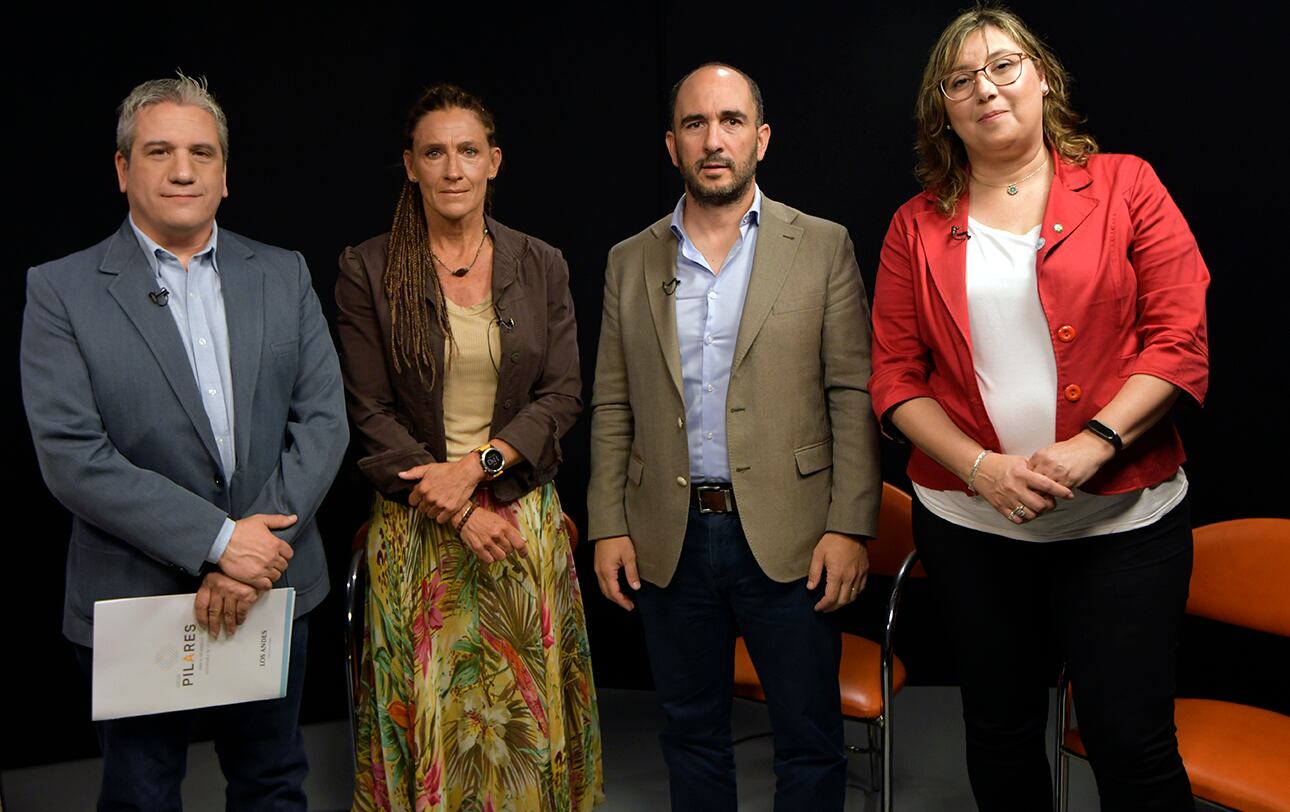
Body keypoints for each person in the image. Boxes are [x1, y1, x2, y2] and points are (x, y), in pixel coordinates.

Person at [869, 8, 1209, 810]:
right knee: (999, 731)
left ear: (1043, 78)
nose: (984, 89)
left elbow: (1180, 338)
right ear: (943, 110)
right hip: (973, 528)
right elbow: (893, 377)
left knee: (1130, 742)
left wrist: (1097, 443)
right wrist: (980, 468)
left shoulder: (1129, 185)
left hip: (1122, 527)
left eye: (1003, 67)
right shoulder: (913, 227)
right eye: (960, 80)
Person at [20, 73, 348, 809]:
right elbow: (72, 456)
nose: (182, 169)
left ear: (224, 175)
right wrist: (219, 541)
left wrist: (250, 556)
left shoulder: (284, 273)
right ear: (121, 168)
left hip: (272, 581)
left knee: (272, 782)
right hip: (136, 597)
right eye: (159, 150)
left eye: (201, 152)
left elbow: (323, 420)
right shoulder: (60, 290)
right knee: (142, 794)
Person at [588, 63, 882, 811]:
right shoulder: (630, 259)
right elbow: (613, 404)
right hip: (670, 537)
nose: (712, 140)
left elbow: (851, 394)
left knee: (809, 740)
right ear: (671, 144)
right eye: (694, 124)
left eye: (729, 122)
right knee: (690, 733)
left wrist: (851, 525)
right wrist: (608, 525)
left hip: (793, 534)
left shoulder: (821, 245)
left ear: (761, 138)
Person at [335, 83, 602, 812]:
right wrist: (453, 507)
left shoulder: (541, 262)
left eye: (467, 151)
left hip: (517, 520)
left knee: (521, 726)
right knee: (435, 721)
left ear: (494, 162)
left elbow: (562, 397)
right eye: (434, 153)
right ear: (411, 165)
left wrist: (478, 468)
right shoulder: (367, 268)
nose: (452, 168)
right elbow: (370, 414)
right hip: (419, 525)